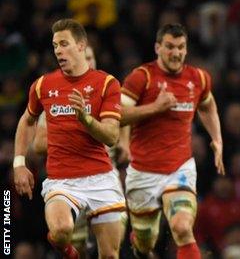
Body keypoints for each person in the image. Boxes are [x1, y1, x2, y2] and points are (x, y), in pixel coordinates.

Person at [12, 19, 125, 258]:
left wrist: (86, 119)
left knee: (110, 255)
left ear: (82, 45)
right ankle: (68, 251)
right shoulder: (43, 85)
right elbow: (27, 120)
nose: (58, 51)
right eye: (55, 46)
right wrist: (19, 163)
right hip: (61, 180)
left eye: (64, 44)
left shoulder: (106, 84)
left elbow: (112, 135)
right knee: (61, 230)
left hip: (101, 179)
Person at [118, 23, 225, 259]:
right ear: (157, 47)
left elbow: (207, 106)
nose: (175, 53)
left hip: (180, 168)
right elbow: (118, 115)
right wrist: (155, 107)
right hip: (142, 172)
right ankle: (141, 246)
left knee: (182, 227)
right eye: (169, 47)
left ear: (186, 49)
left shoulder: (198, 78)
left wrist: (217, 139)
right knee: (146, 240)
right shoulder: (141, 77)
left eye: (180, 47)